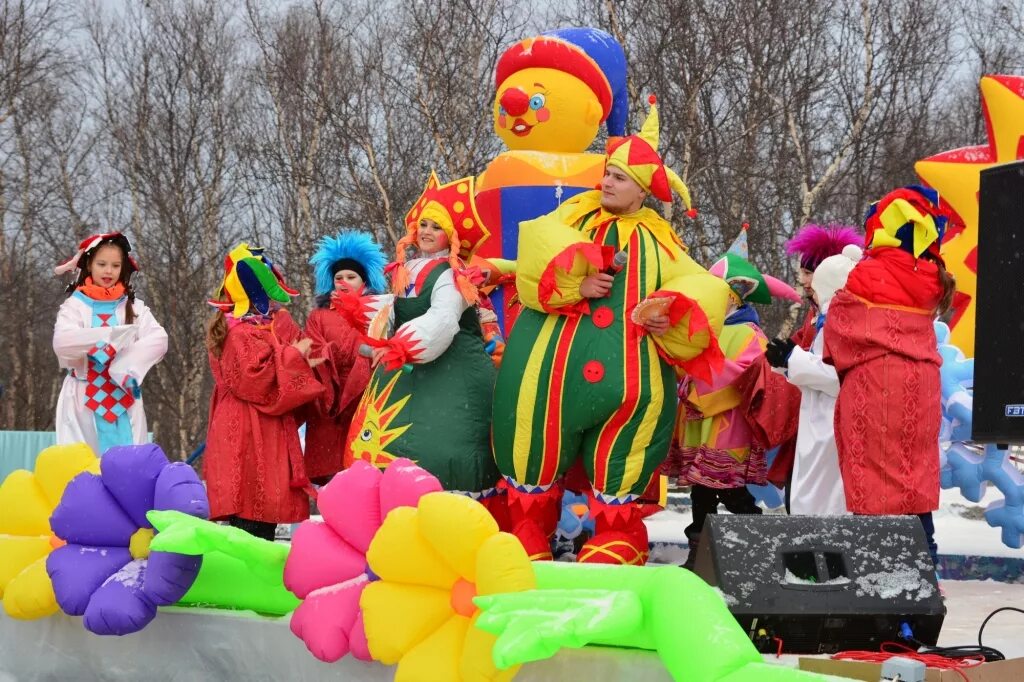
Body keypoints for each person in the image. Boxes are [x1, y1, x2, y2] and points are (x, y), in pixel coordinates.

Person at [491, 96, 732, 564]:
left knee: (623, 451)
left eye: (619, 178)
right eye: (607, 173)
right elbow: (535, 253)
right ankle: (528, 531)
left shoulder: (657, 238)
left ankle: (616, 537)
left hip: (630, 383)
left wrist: (671, 311)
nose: (606, 182)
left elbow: (701, 282)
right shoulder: (573, 217)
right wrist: (574, 282)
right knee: (534, 439)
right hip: (549, 375)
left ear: (641, 191)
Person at [343, 172, 502, 504]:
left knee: (444, 444)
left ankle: (446, 505)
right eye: (424, 225)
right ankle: (388, 497)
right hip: (409, 369)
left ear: (451, 237)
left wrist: (405, 344)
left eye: (436, 227)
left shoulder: (454, 275)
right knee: (391, 437)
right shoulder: (408, 269)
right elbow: (401, 309)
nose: (427, 232)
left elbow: (442, 317)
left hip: (451, 371)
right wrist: (361, 310)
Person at [823, 186, 956, 565]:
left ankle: (878, 579)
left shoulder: (869, 272)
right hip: (923, 386)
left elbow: (838, 333)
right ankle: (923, 577)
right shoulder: (933, 276)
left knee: (876, 490)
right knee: (913, 486)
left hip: (877, 385)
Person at [678, 235, 800, 569]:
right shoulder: (711, 331)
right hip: (702, 425)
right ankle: (699, 554)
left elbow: (738, 376)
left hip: (727, 428)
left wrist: (696, 387)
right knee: (701, 492)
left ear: (732, 298)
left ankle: (760, 545)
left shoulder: (749, 334)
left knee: (730, 492)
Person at [204, 244, 323, 541]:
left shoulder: (271, 324)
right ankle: (246, 576)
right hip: (246, 428)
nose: (273, 299)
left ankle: (254, 569)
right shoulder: (238, 332)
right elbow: (252, 379)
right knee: (250, 512)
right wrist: (295, 357)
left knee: (261, 511)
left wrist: (314, 354)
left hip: (265, 427)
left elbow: (307, 350)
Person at [764, 224, 863, 506]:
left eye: (809, 273)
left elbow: (841, 375)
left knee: (820, 504)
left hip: (828, 429)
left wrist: (792, 359)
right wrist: (785, 361)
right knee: (805, 500)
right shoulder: (818, 316)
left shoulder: (842, 319)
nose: (805, 281)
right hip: (810, 424)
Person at [52, 232, 167, 455]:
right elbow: (63, 342)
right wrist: (111, 336)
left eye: (115, 265)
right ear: (89, 264)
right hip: (82, 397)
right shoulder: (75, 306)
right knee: (83, 467)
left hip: (123, 395)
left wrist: (124, 365)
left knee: (129, 464)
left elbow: (159, 339)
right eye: (102, 264)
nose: (108, 271)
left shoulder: (133, 307)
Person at [302, 230, 386, 484]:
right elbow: (313, 352)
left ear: (364, 280)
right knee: (333, 479)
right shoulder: (318, 316)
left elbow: (384, 345)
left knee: (365, 470)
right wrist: (335, 356)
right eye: (338, 276)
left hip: (366, 397)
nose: (343, 281)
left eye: (351, 276)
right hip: (330, 403)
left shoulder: (380, 311)